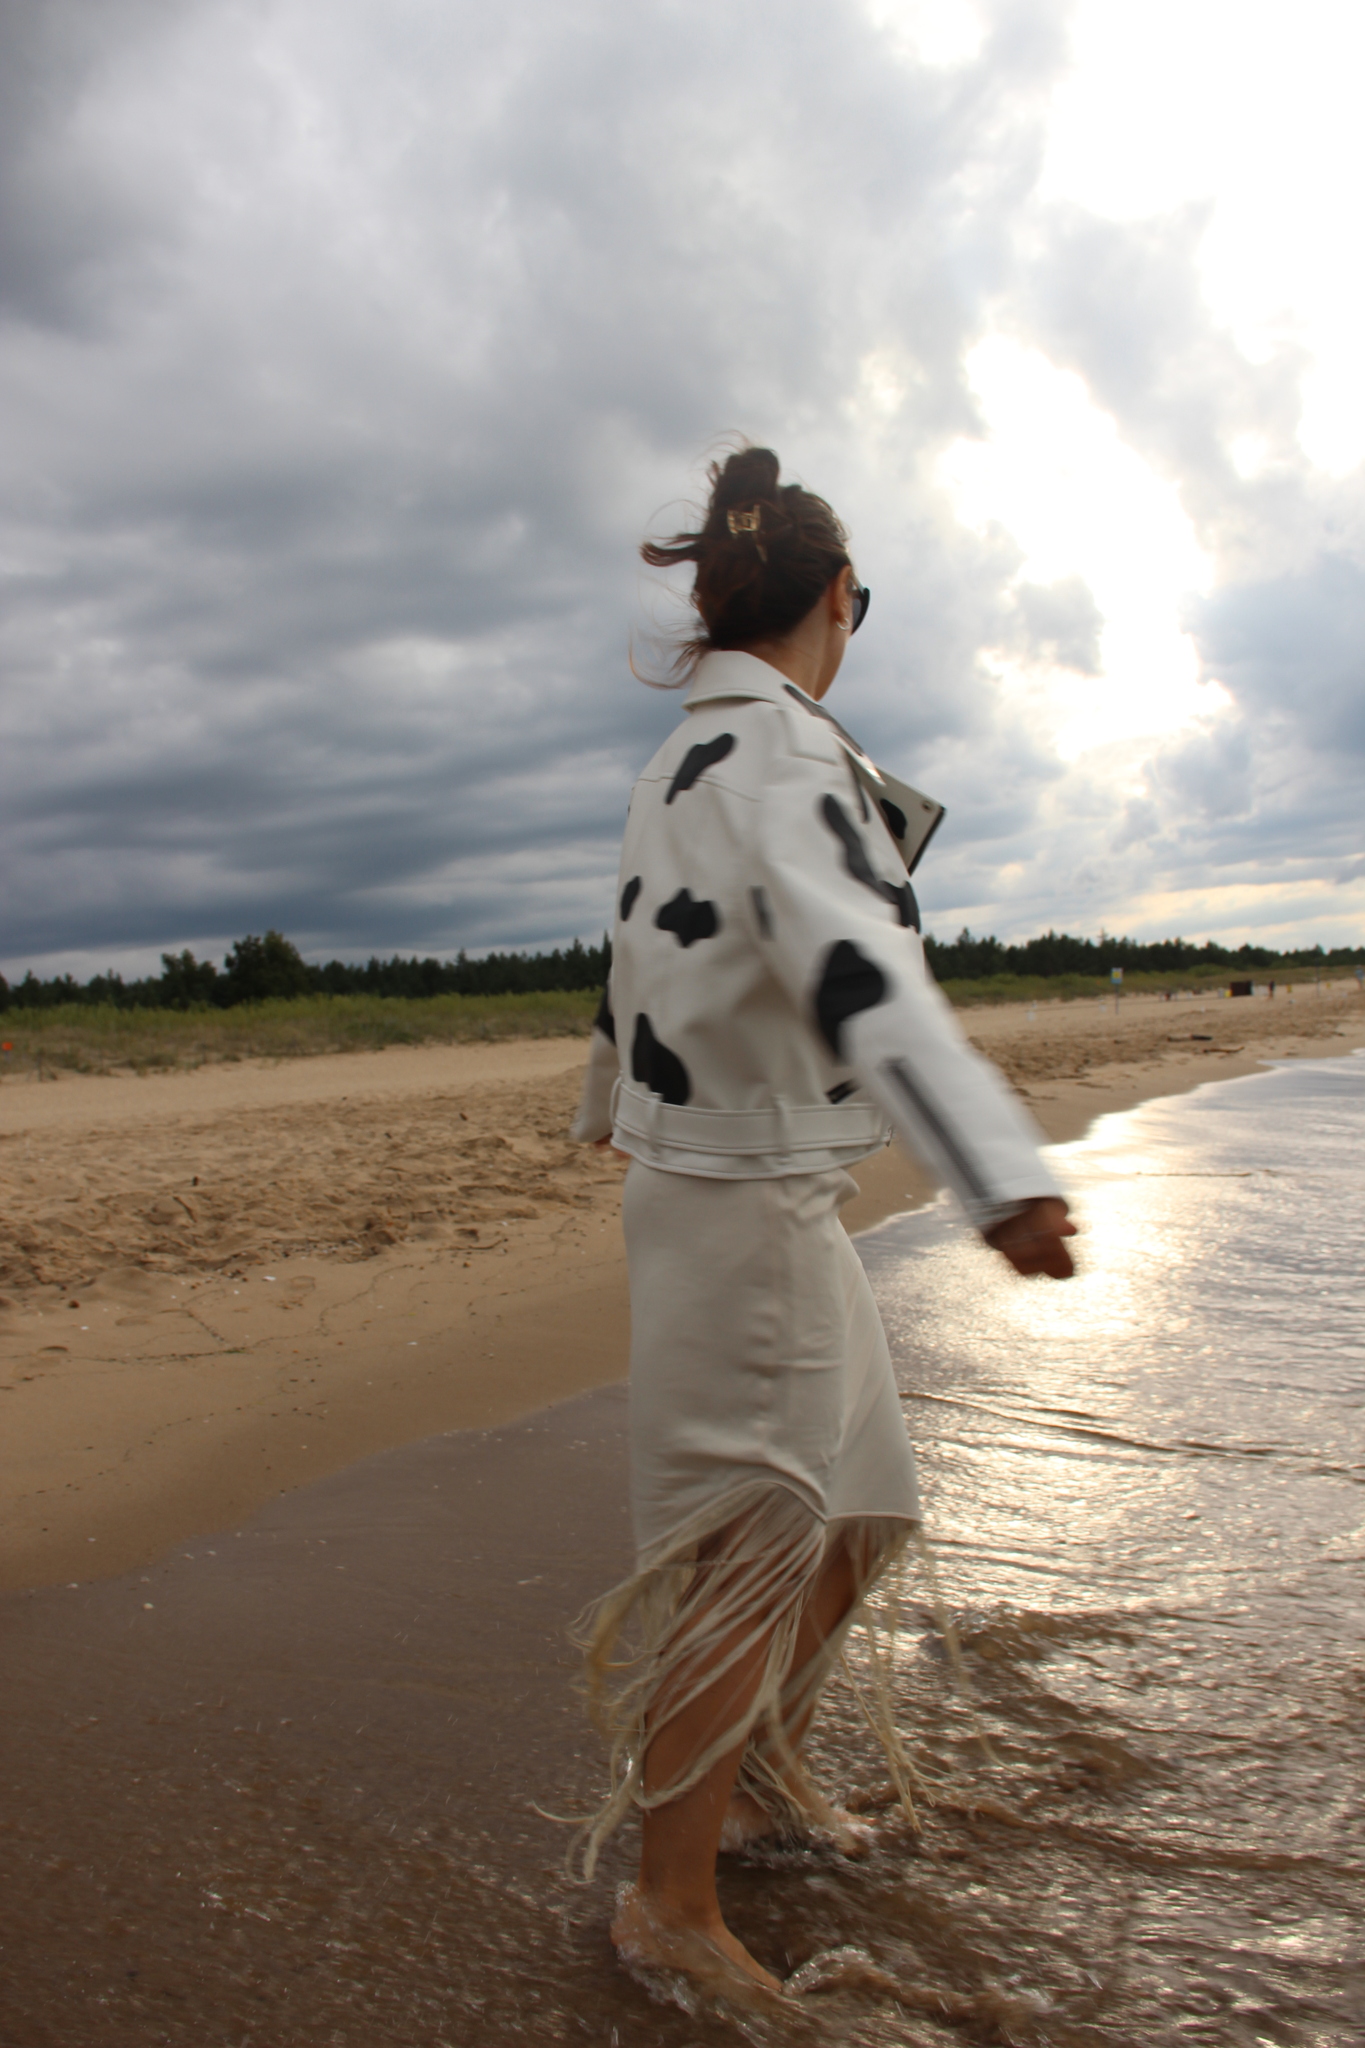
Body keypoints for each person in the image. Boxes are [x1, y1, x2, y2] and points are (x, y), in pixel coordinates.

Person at [571, 445, 1075, 2001]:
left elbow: (633, 955)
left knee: (862, 1511)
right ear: (839, 596)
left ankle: (754, 1773)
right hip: (745, 1194)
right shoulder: (781, 757)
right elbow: (862, 971)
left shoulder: (695, 755)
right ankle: (669, 1902)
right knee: (758, 1546)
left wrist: (607, 1107)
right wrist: (999, 1175)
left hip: (748, 1182)